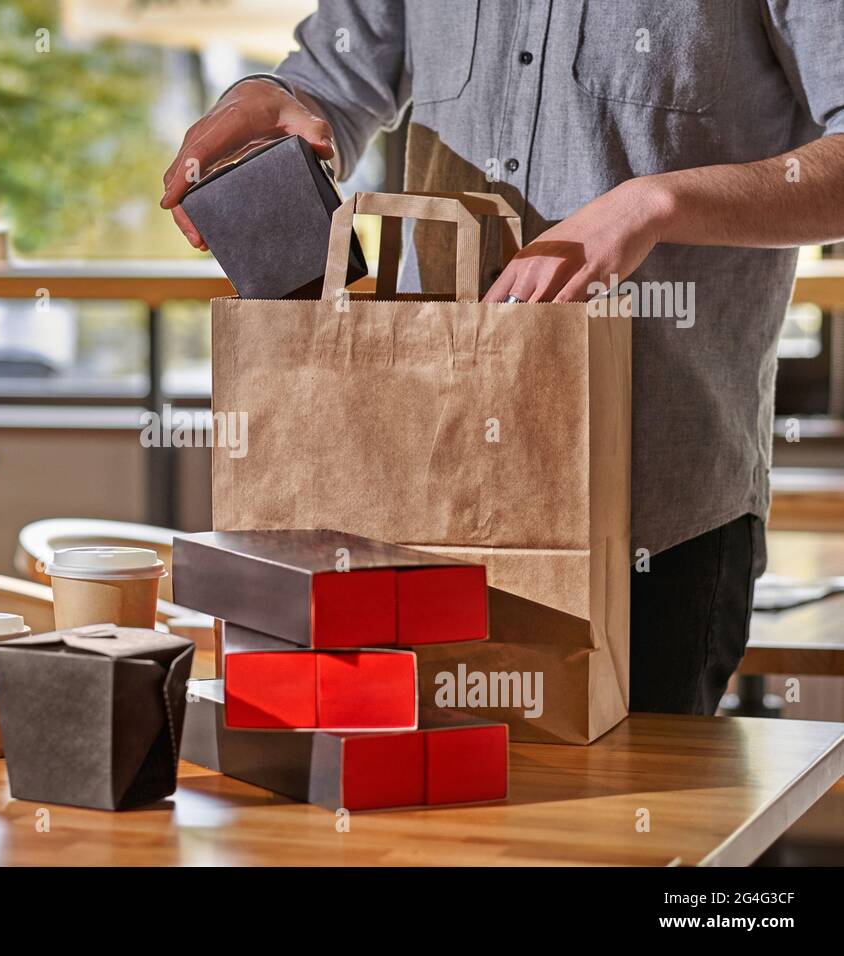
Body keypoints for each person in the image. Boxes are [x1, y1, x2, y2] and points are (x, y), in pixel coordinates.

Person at [161, 2, 844, 716]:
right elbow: (331, 85)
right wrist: (274, 98)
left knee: (611, 823)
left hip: (650, 516)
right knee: (386, 812)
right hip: (403, 483)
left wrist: (656, 203)